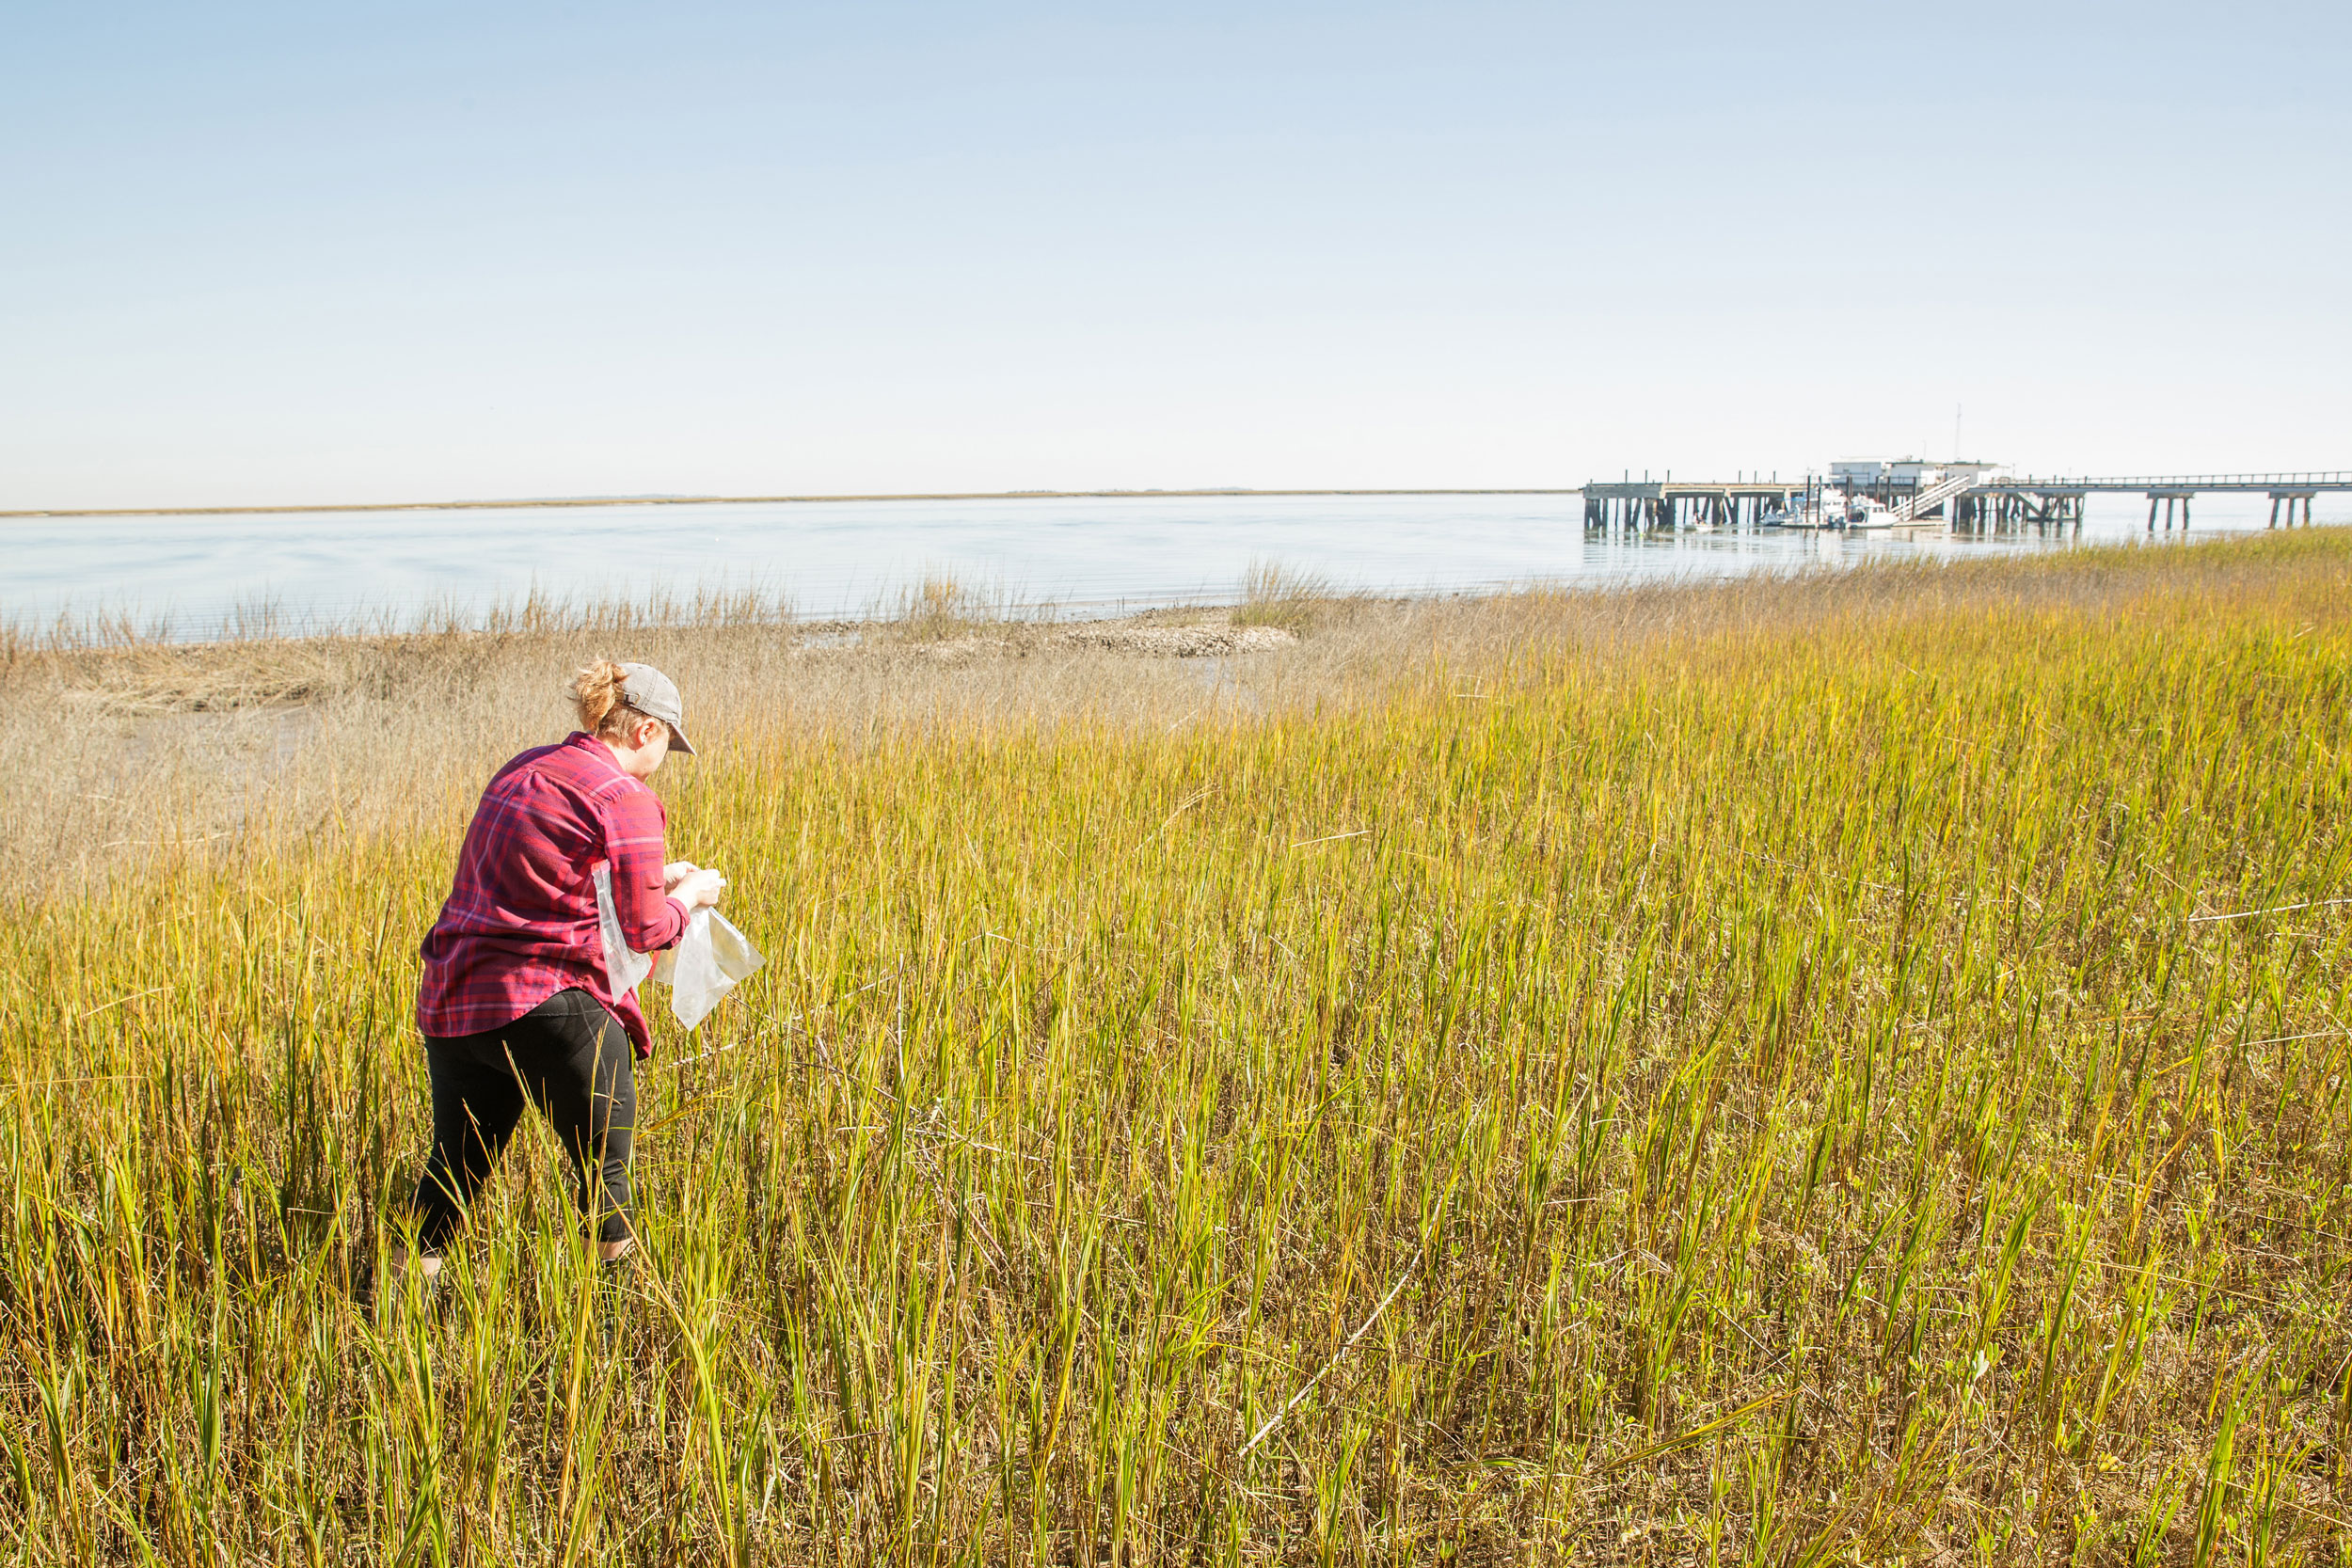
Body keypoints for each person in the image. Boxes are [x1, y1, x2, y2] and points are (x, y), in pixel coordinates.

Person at [401, 658, 724, 1304]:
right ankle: (611, 1321)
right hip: (548, 1005)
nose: (666, 757)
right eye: (669, 743)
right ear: (645, 732)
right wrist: (691, 894)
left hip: (456, 1000)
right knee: (605, 1174)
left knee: (455, 1168)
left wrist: (659, 880)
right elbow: (644, 930)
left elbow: (541, 879)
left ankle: (401, 1306)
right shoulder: (626, 797)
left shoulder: (525, 767)